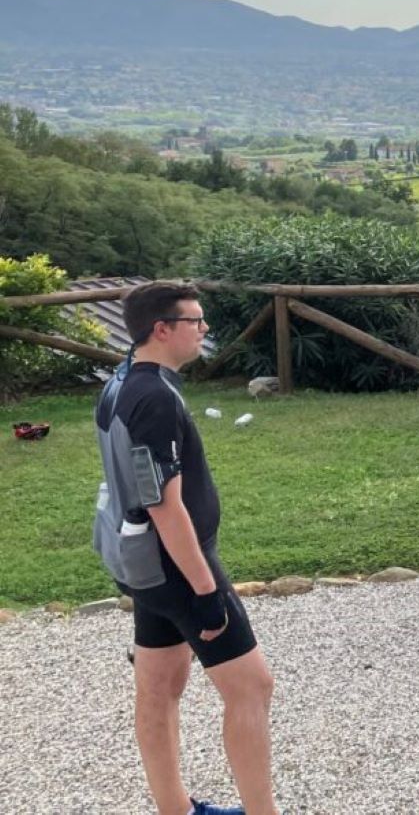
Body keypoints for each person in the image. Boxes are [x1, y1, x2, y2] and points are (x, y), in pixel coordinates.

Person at [92, 282, 279, 815]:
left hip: (141, 564)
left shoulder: (121, 382)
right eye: (195, 321)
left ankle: (175, 809)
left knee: (158, 686)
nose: (203, 330)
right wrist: (205, 592)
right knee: (252, 687)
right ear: (162, 329)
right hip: (176, 566)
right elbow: (165, 506)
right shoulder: (151, 396)